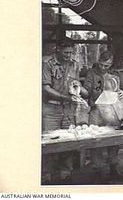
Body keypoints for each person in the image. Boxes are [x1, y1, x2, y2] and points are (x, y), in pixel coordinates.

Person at [42, 38, 88, 183]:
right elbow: (46, 88)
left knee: (67, 142)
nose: (69, 55)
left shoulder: (74, 64)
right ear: (58, 49)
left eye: (71, 52)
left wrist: (78, 89)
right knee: (49, 142)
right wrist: (65, 97)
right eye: (66, 52)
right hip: (51, 107)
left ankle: (65, 174)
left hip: (68, 108)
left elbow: (75, 83)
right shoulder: (47, 64)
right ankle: (45, 177)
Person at [83, 51, 123, 180]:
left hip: (113, 110)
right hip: (96, 110)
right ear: (98, 61)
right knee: (96, 140)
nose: (103, 68)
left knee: (114, 140)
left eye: (106, 65)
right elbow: (86, 92)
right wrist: (80, 89)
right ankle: (97, 172)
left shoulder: (115, 74)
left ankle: (113, 169)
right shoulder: (92, 73)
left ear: (111, 63)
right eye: (102, 65)